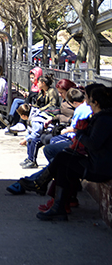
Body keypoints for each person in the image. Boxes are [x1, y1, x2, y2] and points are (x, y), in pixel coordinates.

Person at [21, 85, 112, 221]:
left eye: (90, 100)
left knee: (63, 158)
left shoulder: (104, 120)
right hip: (97, 162)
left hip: (100, 168)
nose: (87, 103)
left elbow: (93, 144)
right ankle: (57, 206)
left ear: (96, 103)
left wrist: (80, 133)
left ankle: (42, 184)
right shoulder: (101, 118)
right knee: (63, 163)